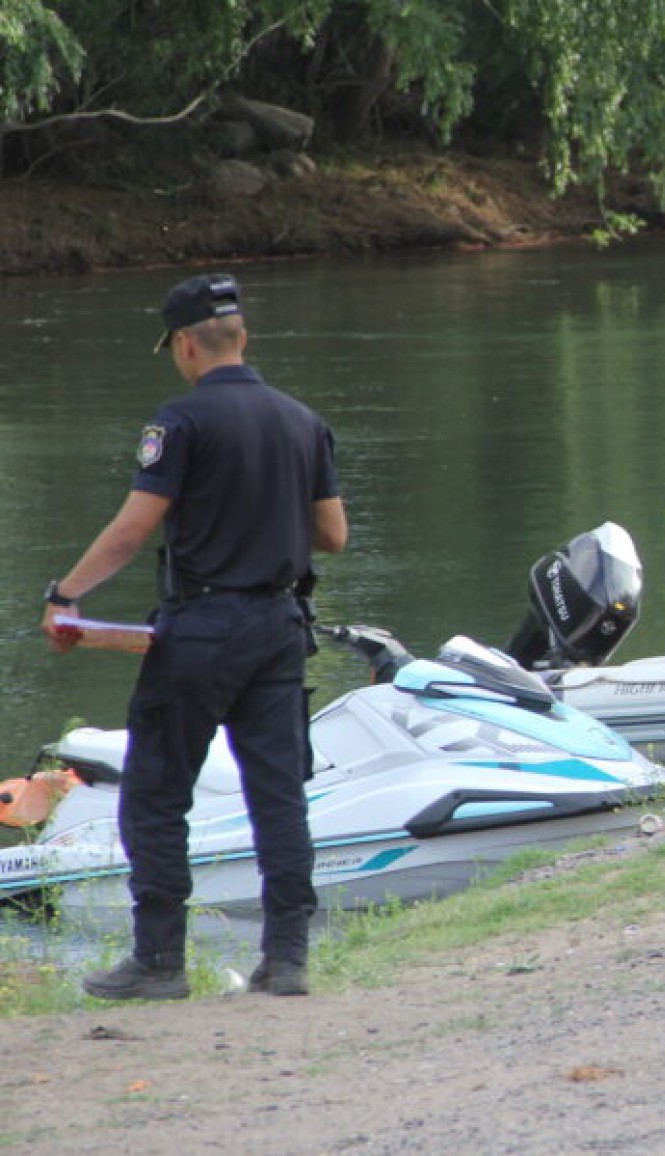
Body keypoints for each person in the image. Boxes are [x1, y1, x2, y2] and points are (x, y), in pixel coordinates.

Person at [41, 274, 348, 1001]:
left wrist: (66, 595)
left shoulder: (179, 423)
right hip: (279, 628)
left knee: (155, 793)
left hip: (201, 630)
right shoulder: (304, 421)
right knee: (278, 796)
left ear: (185, 345)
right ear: (241, 336)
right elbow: (332, 535)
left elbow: (133, 530)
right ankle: (289, 959)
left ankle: (158, 962)